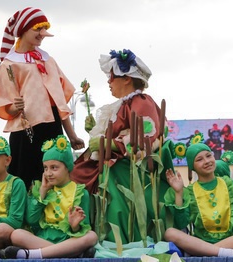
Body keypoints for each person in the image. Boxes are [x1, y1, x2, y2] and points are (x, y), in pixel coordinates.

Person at [71, 49, 170, 243]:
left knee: (77, 177)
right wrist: (94, 132)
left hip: (125, 169)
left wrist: (107, 142)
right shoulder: (124, 104)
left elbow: (145, 136)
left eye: (112, 76)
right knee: (73, 175)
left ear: (127, 79)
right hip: (112, 161)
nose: (108, 81)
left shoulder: (141, 101)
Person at [0, 7, 84, 189]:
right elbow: (7, 106)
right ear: (23, 30)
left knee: (56, 179)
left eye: (43, 30)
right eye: (37, 29)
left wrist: (72, 135)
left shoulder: (48, 61)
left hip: (52, 127)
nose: (42, 34)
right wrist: (14, 108)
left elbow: (59, 104)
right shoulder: (10, 64)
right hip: (26, 130)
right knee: (25, 182)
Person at [0, 135, 98, 259]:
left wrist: (74, 226)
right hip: (43, 238)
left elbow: (84, 227)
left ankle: (32, 254)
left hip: (68, 240)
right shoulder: (41, 189)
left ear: (68, 167)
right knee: (16, 234)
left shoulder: (80, 192)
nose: (48, 173)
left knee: (91, 236)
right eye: (45, 168)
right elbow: (31, 220)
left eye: (54, 168)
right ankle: (69, 254)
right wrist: (42, 191)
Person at [163, 142, 233, 257]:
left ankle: (217, 252)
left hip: (229, 243)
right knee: (170, 233)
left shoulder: (229, 184)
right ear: (192, 166)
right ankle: (225, 253)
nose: (207, 161)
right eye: (199, 159)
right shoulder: (190, 191)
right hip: (202, 243)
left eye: (209, 156)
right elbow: (181, 223)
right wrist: (179, 193)